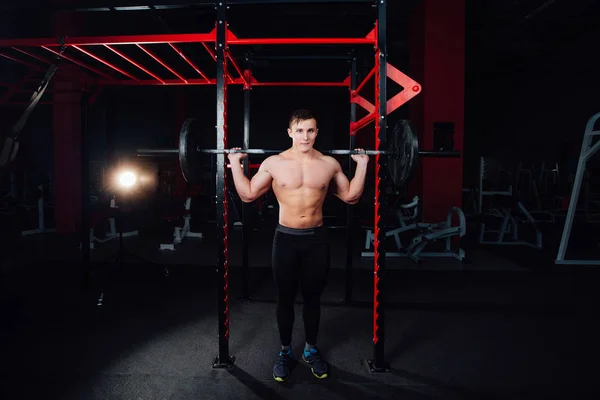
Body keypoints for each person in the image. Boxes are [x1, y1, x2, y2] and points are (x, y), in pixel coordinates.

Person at [227, 109, 369, 382]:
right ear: (290, 132)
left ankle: (310, 350)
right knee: (285, 299)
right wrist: (235, 163)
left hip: (316, 240)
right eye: (300, 130)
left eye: (311, 130)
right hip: (286, 240)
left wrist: (362, 165)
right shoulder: (274, 163)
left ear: (317, 133)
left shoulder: (329, 164)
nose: (305, 136)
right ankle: (284, 352)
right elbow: (247, 195)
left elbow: (350, 197)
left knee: (313, 299)